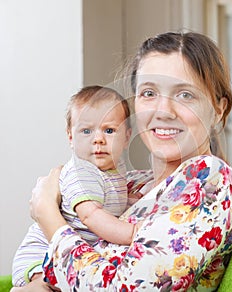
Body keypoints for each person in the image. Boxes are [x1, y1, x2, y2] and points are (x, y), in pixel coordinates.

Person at [13, 31, 232, 291]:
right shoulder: (131, 184)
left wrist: (48, 215)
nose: (163, 111)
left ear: (218, 109)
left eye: (185, 95)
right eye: (148, 93)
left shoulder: (208, 179)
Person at [12, 85, 144, 288]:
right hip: (42, 253)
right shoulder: (82, 173)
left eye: (109, 130)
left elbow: (108, 200)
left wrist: (131, 200)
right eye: (86, 131)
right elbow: (90, 215)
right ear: (71, 137)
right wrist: (131, 232)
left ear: (126, 137)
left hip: (70, 252)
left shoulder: (113, 170)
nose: (98, 139)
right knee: (47, 286)